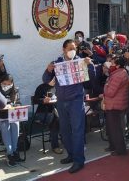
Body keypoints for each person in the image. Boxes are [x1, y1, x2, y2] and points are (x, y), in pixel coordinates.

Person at [42, 39, 95, 174]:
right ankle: (71, 154)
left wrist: (90, 66)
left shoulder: (81, 61)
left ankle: (79, 161)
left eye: (74, 48)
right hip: (61, 101)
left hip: (76, 100)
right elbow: (47, 81)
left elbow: (91, 80)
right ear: (63, 49)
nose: (73, 50)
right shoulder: (57, 62)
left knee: (77, 130)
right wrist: (48, 71)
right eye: (70, 48)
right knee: (65, 130)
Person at [102, 56, 129, 156]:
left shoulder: (119, 75)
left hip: (115, 105)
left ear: (118, 65)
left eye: (112, 63)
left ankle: (120, 150)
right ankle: (114, 146)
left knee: (116, 129)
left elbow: (110, 92)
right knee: (112, 128)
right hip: (114, 104)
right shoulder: (118, 73)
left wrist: (106, 86)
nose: (110, 65)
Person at [0, 74, 23, 167]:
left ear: (12, 84)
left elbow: (19, 103)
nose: (6, 85)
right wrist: (3, 106)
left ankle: (15, 151)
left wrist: (14, 106)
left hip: (13, 115)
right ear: (1, 82)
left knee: (15, 127)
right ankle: (9, 153)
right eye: (4, 83)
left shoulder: (15, 90)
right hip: (2, 116)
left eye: (9, 84)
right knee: (5, 128)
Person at [33, 80, 63, 155]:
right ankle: (55, 146)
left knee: (61, 118)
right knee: (55, 120)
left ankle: (63, 140)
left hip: (55, 111)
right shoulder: (41, 87)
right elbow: (35, 99)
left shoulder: (60, 86)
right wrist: (43, 100)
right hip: (42, 113)